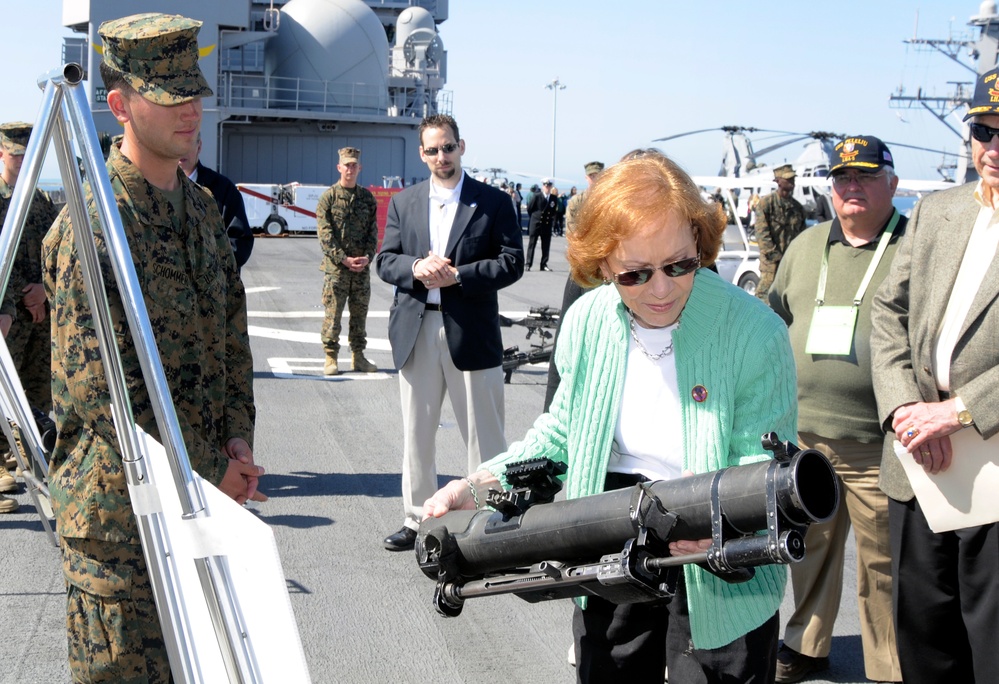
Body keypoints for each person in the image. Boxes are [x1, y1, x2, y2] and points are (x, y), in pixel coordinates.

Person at [424, 151, 797, 682]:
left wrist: (722, 532)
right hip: (609, 539)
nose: (661, 289)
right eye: (635, 273)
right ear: (601, 265)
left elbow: (761, 464)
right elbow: (561, 434)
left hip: (720, 558)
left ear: (699, 242)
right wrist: (480, 486)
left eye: (680, 265)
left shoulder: (755, 332)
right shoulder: (587, 321)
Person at [41, 13, 264, 682]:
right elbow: (106, 392)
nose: (192, 111)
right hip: (119, 522)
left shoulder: (199, 211)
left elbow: (230, 340)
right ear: (120, 105)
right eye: (170, 98)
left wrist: (236, 439)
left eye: (194, 93)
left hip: (199, 501)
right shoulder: (90, 223)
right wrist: (205, 469)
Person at [870, 66, 999, 684]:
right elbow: (887, 312)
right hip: (920, 459)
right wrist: (904, 411)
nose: (993, 148)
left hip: (992, 462)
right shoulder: (934, 212)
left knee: (993, 643)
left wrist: (960, 410)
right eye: (983, 130)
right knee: (923, 633)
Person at [768, 135, 903, 683]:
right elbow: (772, 317)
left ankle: (889, 662)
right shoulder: (805, 245)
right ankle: (806, 644)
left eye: (866, 176)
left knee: (884, 561)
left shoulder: (912, 245)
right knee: (810, 549)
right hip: (806, 435)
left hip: (880, 439)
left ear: (891, 183)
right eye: (842, 177)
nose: (852, 187)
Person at [374, 114, 523, 551]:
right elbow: (386, 260)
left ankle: (490, 517)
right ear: (422, 154)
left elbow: (512, 261)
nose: (442, 156)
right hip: (417, 328)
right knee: (416, 432)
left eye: (449, 147)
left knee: (485, 434)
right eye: (433, 150)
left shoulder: (493, 202)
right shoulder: (405, 202)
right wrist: (416, 268)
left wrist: (458, 275)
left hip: (470, 331)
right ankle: (418, 518)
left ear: (462, 147)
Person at [0, 121, 58, 513]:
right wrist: (11, 303)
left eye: (28, 155)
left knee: (35, 390)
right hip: (8, 313)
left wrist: (44, 291)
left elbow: (51, 251)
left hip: (36, 318)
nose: (22, 162)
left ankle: (20, 459)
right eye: (15, 155)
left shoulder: (39, 200)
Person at [315, 146, 379, 375]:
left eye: (354, 165)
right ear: (339, 167)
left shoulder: (367, 199)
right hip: (337, 271)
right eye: (346, 165)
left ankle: (358, 357)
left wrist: (368, 257)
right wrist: (343, 259)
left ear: (359, 168)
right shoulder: (328, 198)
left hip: (361, 269)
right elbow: (325, 235)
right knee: (333, 315)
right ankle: (330, 357)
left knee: (359, 315)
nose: (350, 169)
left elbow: (373, 232)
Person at [178, 132, 254, 269]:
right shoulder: (155, 187)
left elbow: (240, 243)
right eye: (176, 144)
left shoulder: (223, 189)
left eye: (187, 143)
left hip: (211, 286)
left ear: (199, 146)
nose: (181, 150)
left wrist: (207, 269)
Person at [753, 163, 805, 301]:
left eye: (793, 178)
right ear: (778, 181)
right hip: (771, 263)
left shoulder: (797, 207)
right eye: (788, 179)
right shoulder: (766, 203)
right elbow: (761, 233)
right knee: (764, 297)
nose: (792, 182)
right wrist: (776, 257)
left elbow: (802, 236)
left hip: (791, 262)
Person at [525, 177, 559, 271]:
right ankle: (528, 264)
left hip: (546, 224)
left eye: (549, 185)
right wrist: (535, 217)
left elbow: (553, 211)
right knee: (532, 244)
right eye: (545, 185)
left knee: (546, 245)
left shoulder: (553, 198)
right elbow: (530, 209)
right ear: (543, 186)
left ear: (551, 186)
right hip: (536, 223)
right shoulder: (537, 196)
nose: (547, 187)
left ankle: (543, 264)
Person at [565, 161, 604, 235]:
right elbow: (570, 227)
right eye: (592, 176)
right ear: (586, 178)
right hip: (582, 242)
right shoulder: (576, 201)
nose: (595, 179)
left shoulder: (608, 200)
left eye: (598, 175)